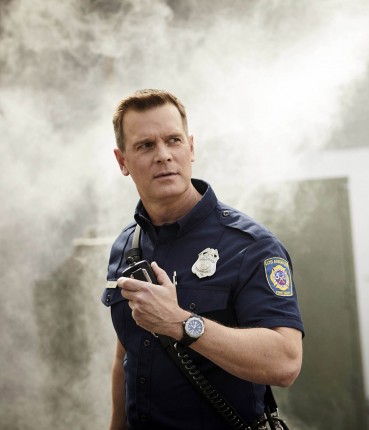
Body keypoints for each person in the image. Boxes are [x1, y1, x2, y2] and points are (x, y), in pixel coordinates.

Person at [101, 89, 304, 429]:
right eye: (146, 145)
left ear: (191, 148)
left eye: (173, 140)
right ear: (123, 161)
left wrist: (180, 323)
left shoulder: (250, 246)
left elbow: (285, 363)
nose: (163, 155)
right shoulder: (126, 245)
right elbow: (127, 354)